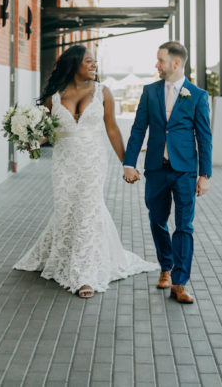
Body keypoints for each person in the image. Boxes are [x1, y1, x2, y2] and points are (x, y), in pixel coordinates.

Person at [14, 45, 158, 298]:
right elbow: (48, 133)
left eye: (94, 62)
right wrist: (30, 140)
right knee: (68, 210)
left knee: (88, 210)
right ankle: (59, 255)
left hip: (93, 160)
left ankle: (84, 275)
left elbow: (112, 129)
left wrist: (128, 163)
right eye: (88, 61)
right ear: (75, 64)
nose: (94, 65)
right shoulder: (54, 97)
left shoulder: (103, 93)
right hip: (65, 163)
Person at [122, 41, 212, 304]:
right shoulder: (150, 92)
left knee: (184, 226)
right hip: (156, 170)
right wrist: (129, 163)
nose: (156, 65)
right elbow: (139, 129)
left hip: (185, 170)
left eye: (160, 60)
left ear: (175, 63)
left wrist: (204, 175)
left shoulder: (196, 95)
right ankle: (166, 266)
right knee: (157, 220)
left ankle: (180, 283)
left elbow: (204, 137)